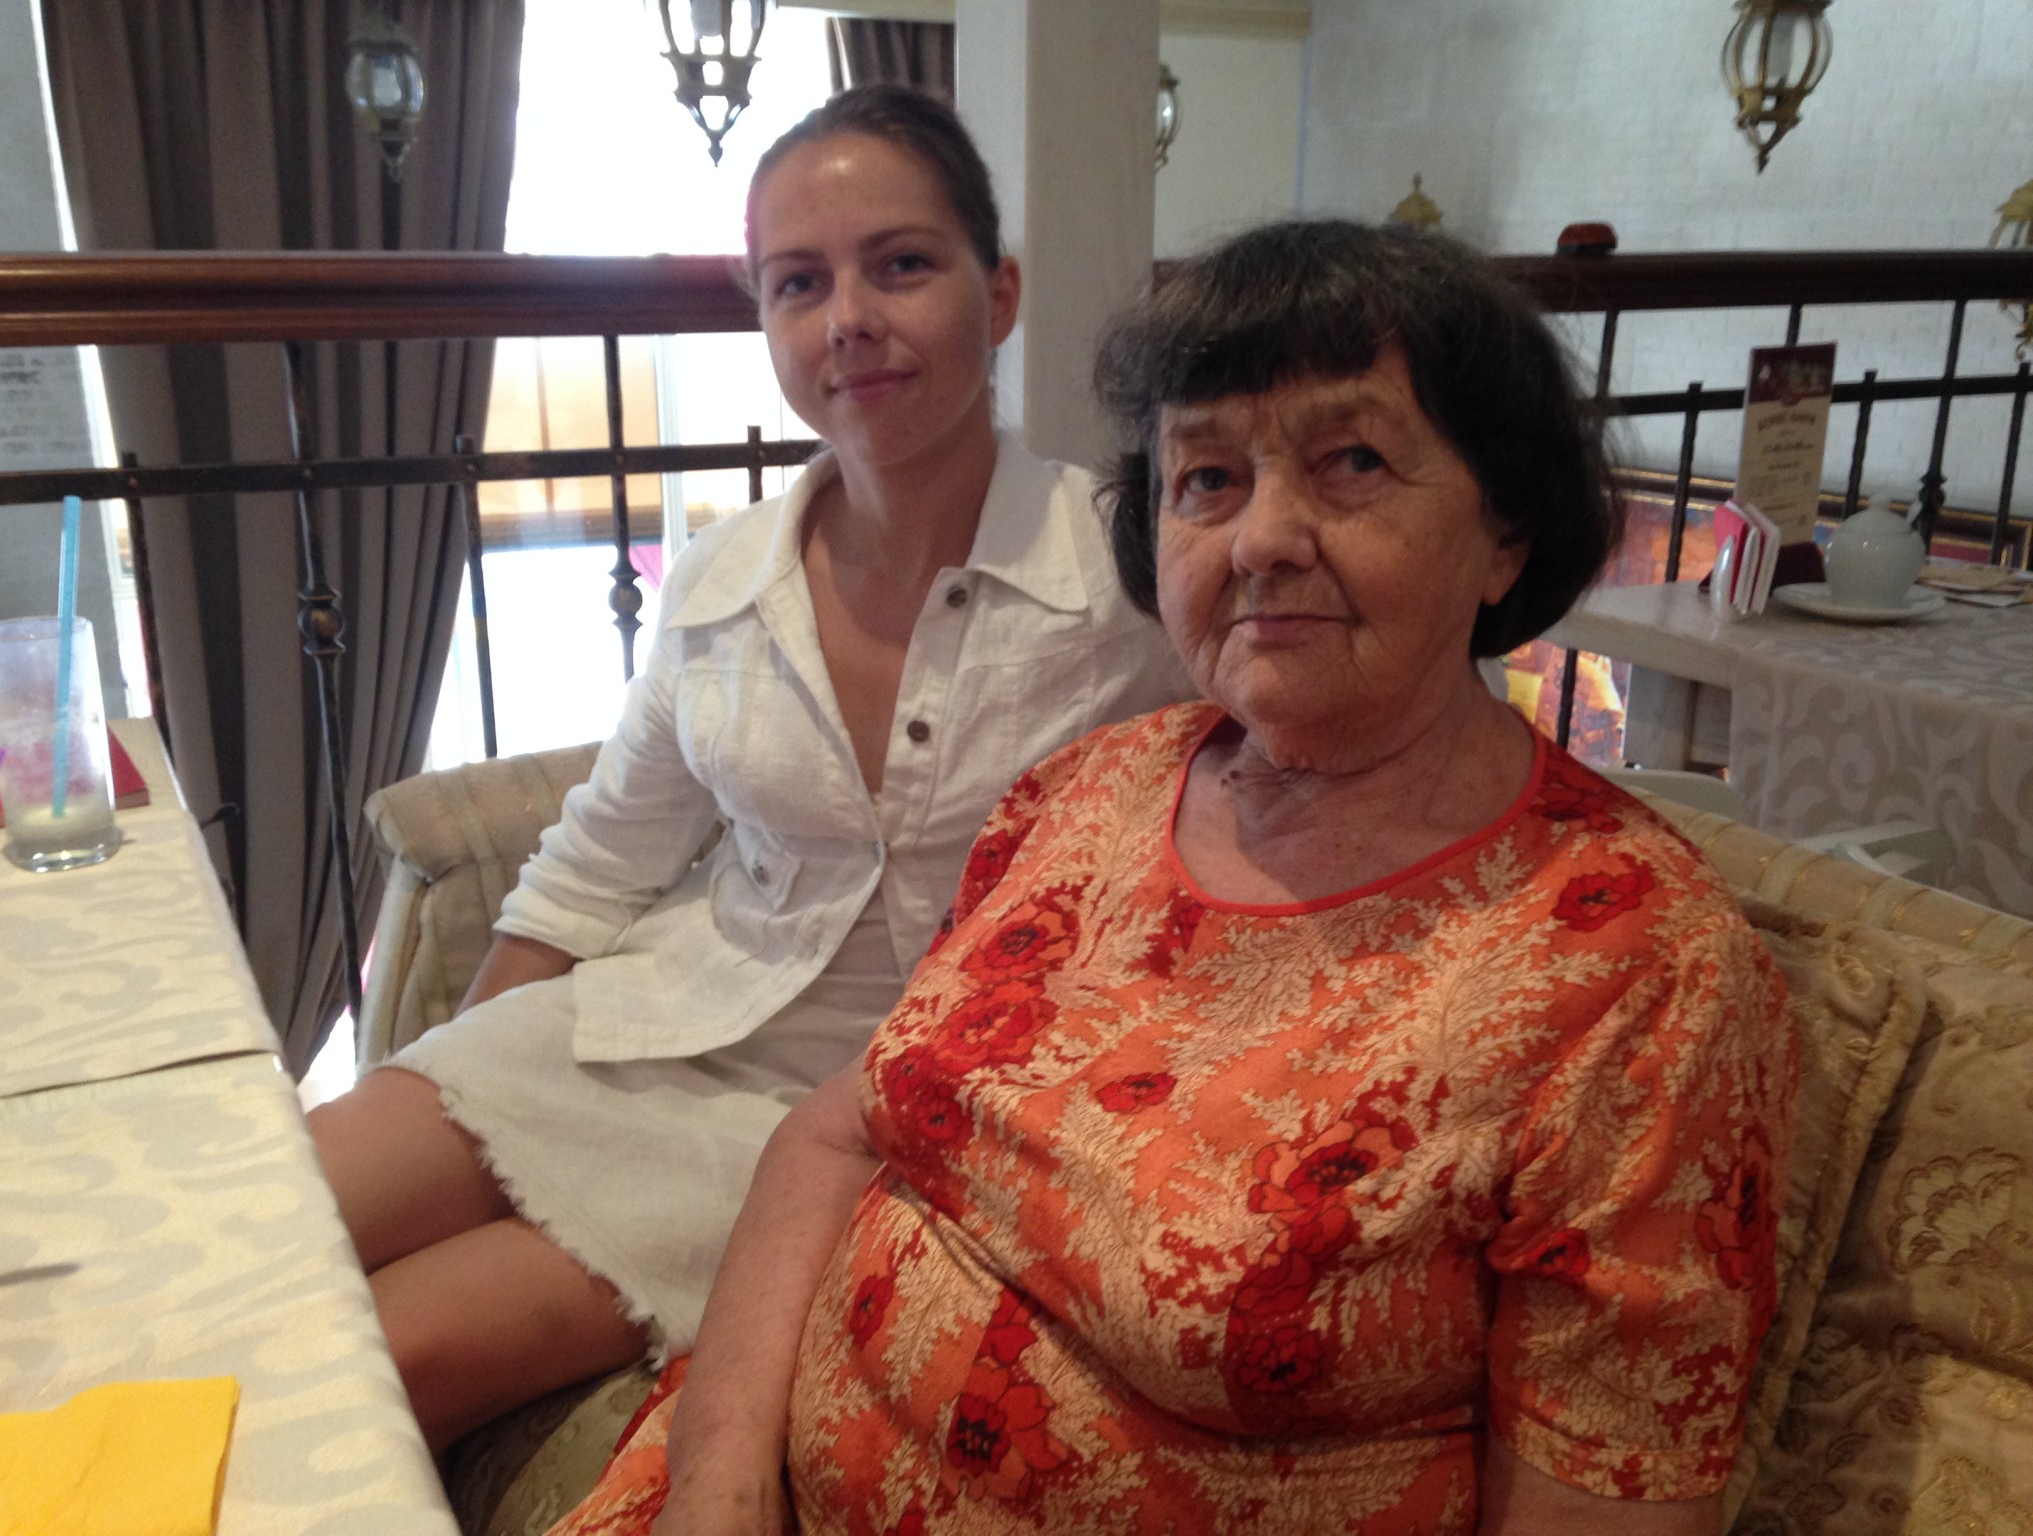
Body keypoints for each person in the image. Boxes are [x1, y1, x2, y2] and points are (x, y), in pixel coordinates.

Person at [550, 220, 1796, 1536]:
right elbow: (841, 1130)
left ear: (1506, 532)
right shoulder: (1087, 791)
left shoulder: (1640, 975)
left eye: (1352, 460)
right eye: (1205, 479)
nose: (1261, 538)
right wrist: (719, 1482)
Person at [306, 84, 1191, 1451]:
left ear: (998, 292)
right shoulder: (725, 577)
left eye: (901, 264)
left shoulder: (1133, 574)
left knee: (372, 1360)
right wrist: (456, 1065)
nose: (849, 317)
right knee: (273, 1224)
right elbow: (596, 867)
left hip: (836, 1121)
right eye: (799, 282)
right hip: (638, 1024)